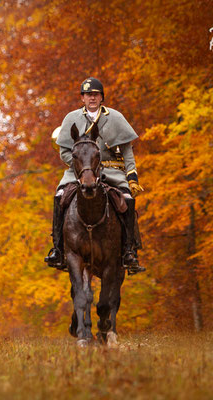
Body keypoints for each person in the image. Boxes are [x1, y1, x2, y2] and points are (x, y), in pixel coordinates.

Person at [44, 77, 146, 275]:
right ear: (82, 98)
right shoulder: (71, 118)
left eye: (96, 94)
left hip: (111, 170)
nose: (92, 98)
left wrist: (132, 176)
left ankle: (128, 251)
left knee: (127, 199)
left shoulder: (115, 117)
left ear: (101, 97)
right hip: (81, 172)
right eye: (88, 95)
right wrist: (82, 167)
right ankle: (58, 249)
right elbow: (64, 151)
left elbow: (127, 151)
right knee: (59, 197)